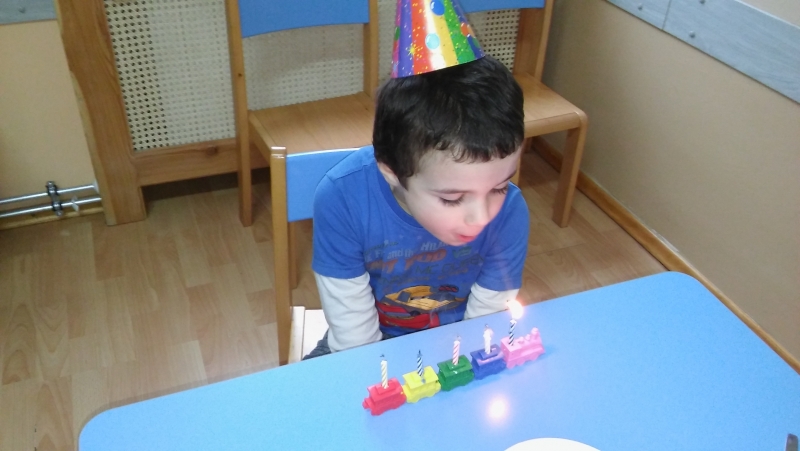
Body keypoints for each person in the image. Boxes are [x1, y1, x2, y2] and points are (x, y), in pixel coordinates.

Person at [303, 53, 529, 359]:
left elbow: (483, 328)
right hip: (368, 340)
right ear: (392, 172)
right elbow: (355, 340)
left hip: (459, 339)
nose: (481, 217)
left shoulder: (510, 212)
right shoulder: (342, 200)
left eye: (499, 187)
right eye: (452, 199)